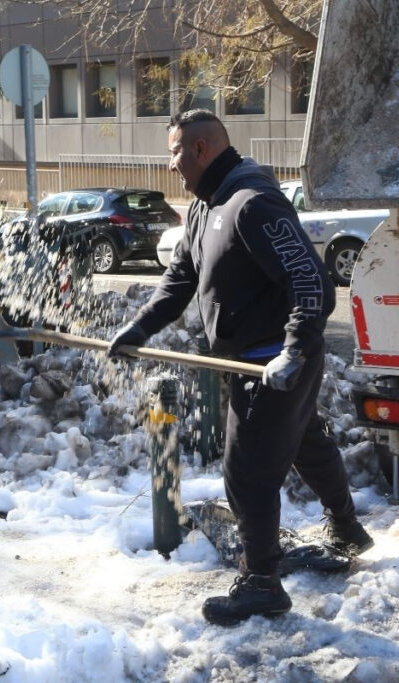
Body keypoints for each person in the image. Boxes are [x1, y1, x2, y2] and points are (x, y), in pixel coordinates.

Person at [108, 109, 373, 626]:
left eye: (175, 152)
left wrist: (293, 351)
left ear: (202, 149)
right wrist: (139, 328)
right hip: (253, 361)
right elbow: (180, 280)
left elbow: (312, 282)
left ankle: (261, 583)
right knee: (305, 441)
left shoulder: (252, 203)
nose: (170, 166)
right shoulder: (205, 208)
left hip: (272, 363)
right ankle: (346, 526)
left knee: (246, 473)